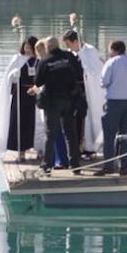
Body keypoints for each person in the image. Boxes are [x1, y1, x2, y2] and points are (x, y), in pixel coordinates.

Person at [29, 36, 85, 174]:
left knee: (51, 134)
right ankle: (75, 164)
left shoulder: (45, 61)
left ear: (47, 47)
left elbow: (38, 81)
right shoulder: (70, 57)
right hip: (69, 101)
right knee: (71, 133)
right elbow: (79, 74)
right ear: (58, 44)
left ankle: (47, 165)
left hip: (52, 102)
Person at [0, 36, 41, 160]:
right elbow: (8, 78)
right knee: (20, 122)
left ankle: (38, 148)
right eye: (25, 47)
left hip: (36, 94)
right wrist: (13, 75)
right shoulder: (18, 59)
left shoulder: (39, 59)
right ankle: (21, 151)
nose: (27, 49)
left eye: (29, 47)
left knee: (37, 122)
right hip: (21, 95)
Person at [97, 39, 127, 175]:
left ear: (113, 50)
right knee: (126, 136)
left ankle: (109, 166)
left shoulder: (111, 62)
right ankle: (125, 166)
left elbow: (103, 82)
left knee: (109, 135)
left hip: (114, 102)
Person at [62, 30, 105, 157]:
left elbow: (96, 70)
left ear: (76, 41)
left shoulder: (90, 51)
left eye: (69, 44)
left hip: (88, 91)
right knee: (76, 120)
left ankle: (89, 146)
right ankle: (78, 147)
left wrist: (86, 74)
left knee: (88, 119)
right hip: (75, 92)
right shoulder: (70, 54)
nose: (68, 47)